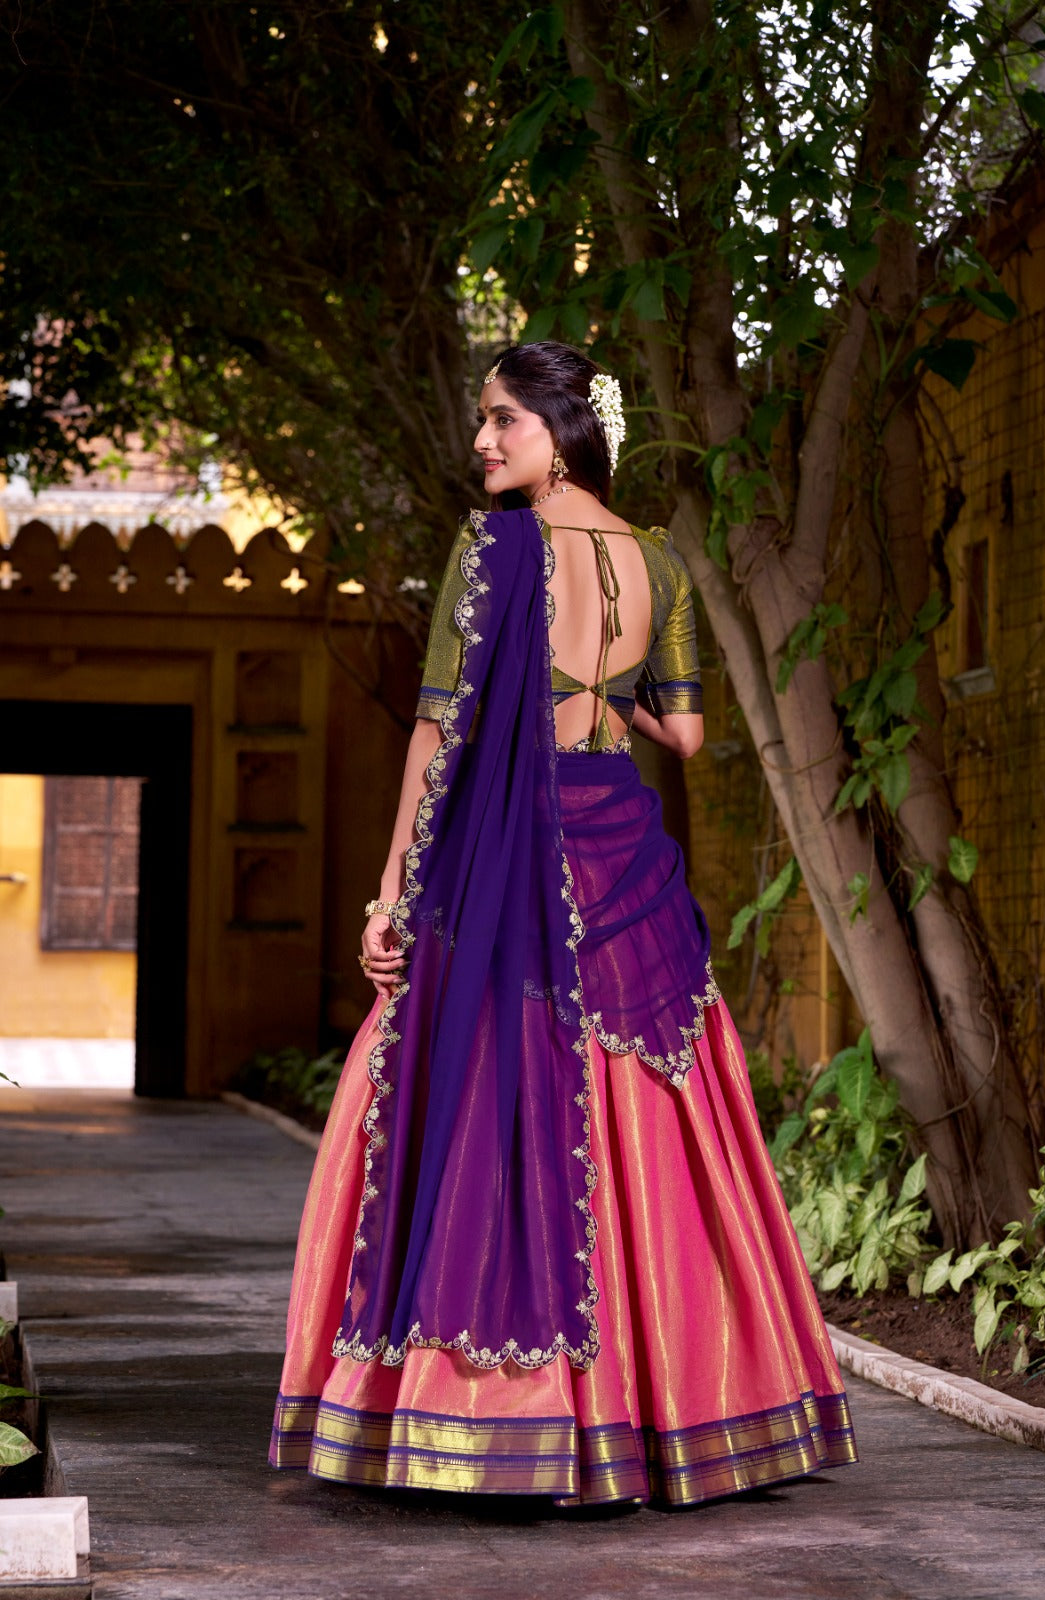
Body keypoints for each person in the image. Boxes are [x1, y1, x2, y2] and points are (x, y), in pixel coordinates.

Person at [269, 341, 857, 1507]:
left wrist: (391, 896)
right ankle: (671, 1414)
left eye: (503, 419)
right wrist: (601, 698)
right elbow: (685, 733)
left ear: (561, 426)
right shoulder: (660, 561)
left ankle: (474, 1416)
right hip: (619, 849)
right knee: (648, 1114)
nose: (481, 441)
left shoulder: (492, 549)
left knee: (460, 1095)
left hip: (507, 855)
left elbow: (438, 730)